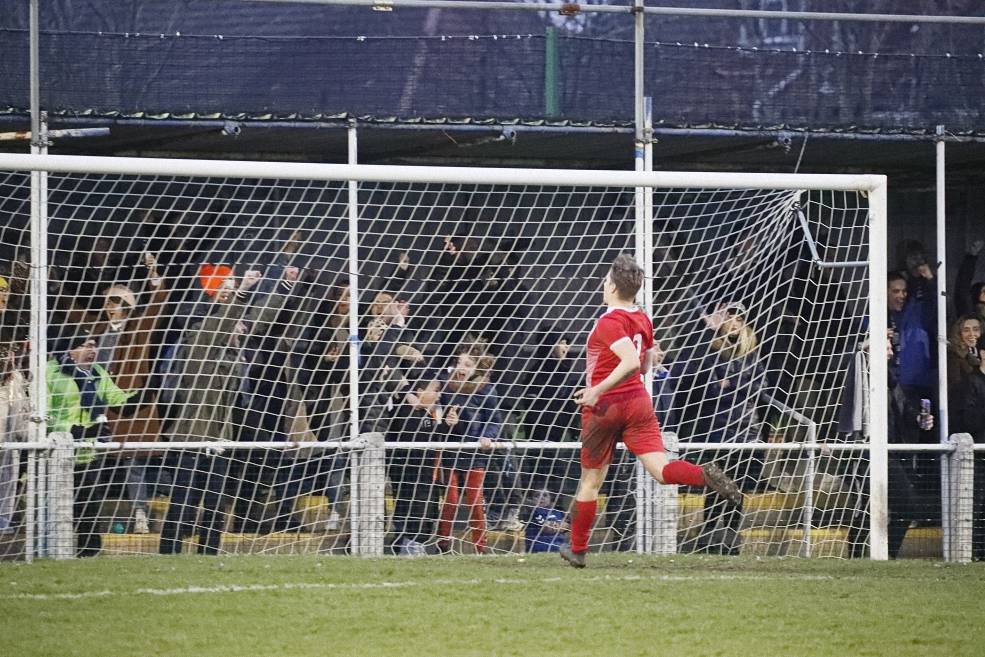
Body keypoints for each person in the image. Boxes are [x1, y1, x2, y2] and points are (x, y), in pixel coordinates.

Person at [560, 254, 740, 568]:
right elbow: (644, 363)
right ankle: (704, 476)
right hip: (638, 403)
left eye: (606, 281)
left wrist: (595, 391)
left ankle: (577, 550)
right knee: (661, 470)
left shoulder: (609, 320)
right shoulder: (642, 317)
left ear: (614, 287)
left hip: (605, 407)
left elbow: (631, 361)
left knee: (590, 482)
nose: (603, 286)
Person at [46, 325, 146, 557]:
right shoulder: (50, 372)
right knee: (58, 504)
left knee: (89, 503)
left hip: (89, 450)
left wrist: (146, 392)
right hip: (58, 449)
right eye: (87, 345)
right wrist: (73, 430)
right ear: (70, 348)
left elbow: (118, 400)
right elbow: (45, 412)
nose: (93, 350)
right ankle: (49, 550)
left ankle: (88, 552)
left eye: (94, 345)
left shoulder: (98, 373)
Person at [437, 339, 503, 554]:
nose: (461, 368)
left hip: (475, 454)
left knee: (475, 501)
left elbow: (494, 420)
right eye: (458, 363)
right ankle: (443, 543)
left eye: (467, 364)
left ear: (477, 366)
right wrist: (448, 423)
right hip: (451, 452)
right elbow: (439, 420)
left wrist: (487, 436)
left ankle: (480, 547)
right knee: (451, 500)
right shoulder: (447, 387)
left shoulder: (486, 389)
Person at [950, 333, 985, 561]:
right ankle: (975, 550)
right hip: (979, 454)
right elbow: (968, 420)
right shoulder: (971, 383)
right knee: (978, 502)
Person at [0, 340, 28, 534]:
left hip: (7, 444)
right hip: (6, 443)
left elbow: (20, 414)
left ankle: (3, 522)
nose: (10, 356)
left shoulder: (15, 379)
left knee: (7, 482)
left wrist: (27, 435)